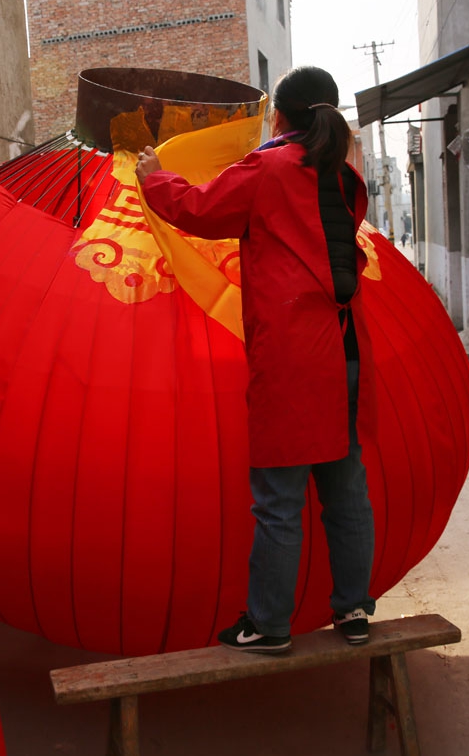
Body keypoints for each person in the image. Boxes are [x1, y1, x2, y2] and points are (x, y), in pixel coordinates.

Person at [135, 66, 377, 654]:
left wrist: (152, 177)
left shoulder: (268, 169)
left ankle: (268, 624)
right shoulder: (342, 177)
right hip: (341, 348)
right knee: (345, 493)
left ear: (281, 116)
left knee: (278, 501)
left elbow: (199, 209)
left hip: (292, 358)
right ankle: (354, 611)